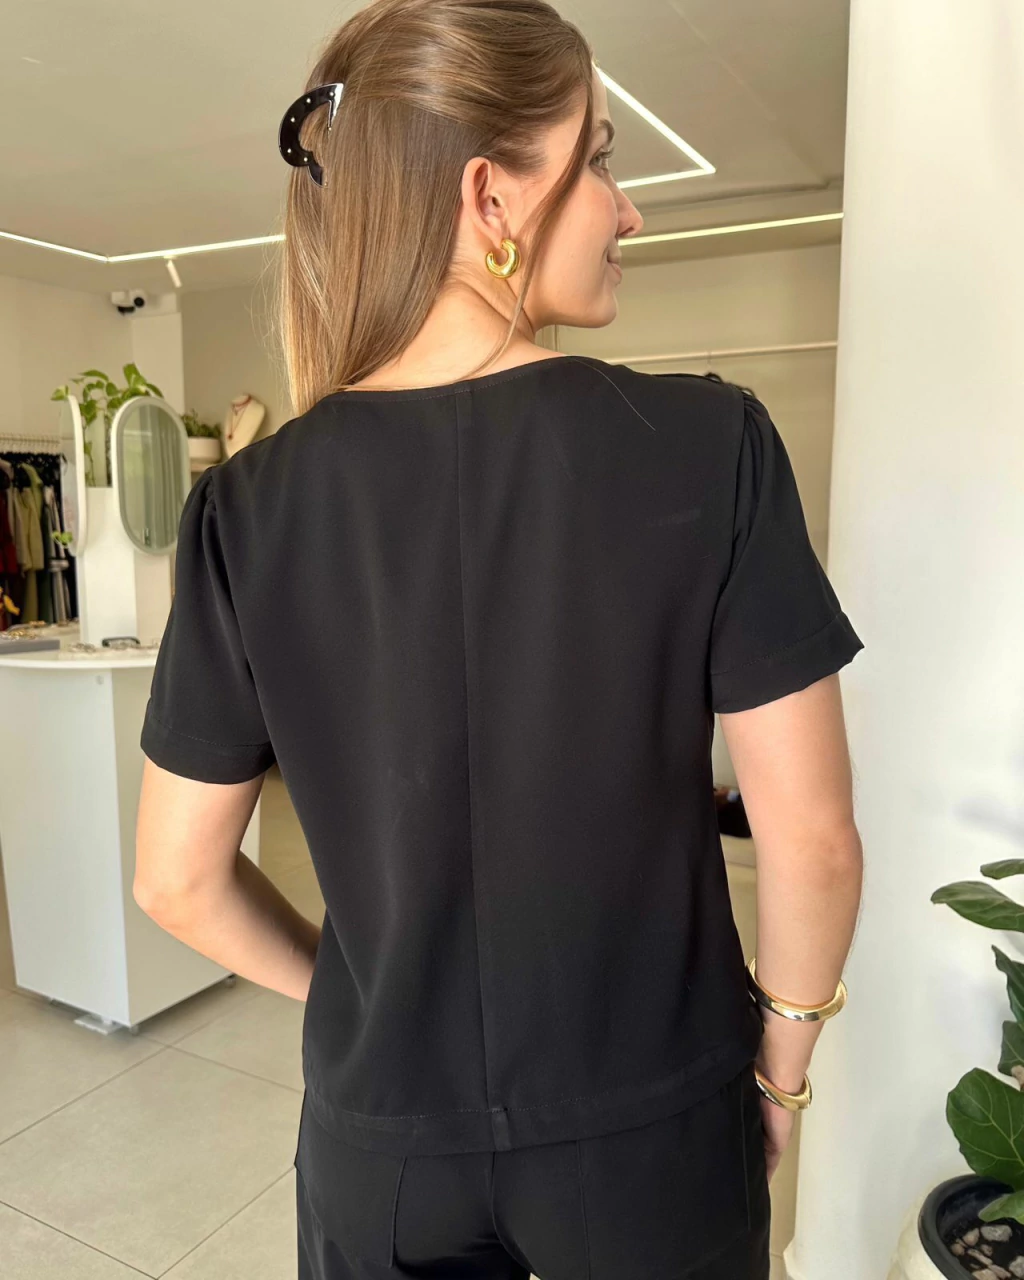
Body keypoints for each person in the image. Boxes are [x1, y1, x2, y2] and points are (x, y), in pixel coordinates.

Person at [134, 1, 865, 1276]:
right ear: (490, 197)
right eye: (602, 158)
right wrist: (781, 1070)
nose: (629, 210)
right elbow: (810, 840)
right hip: (647, 1133)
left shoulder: (242, 509)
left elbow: (176, 882)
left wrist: (360, 1003)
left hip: (381, 1152)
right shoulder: (712, 445)